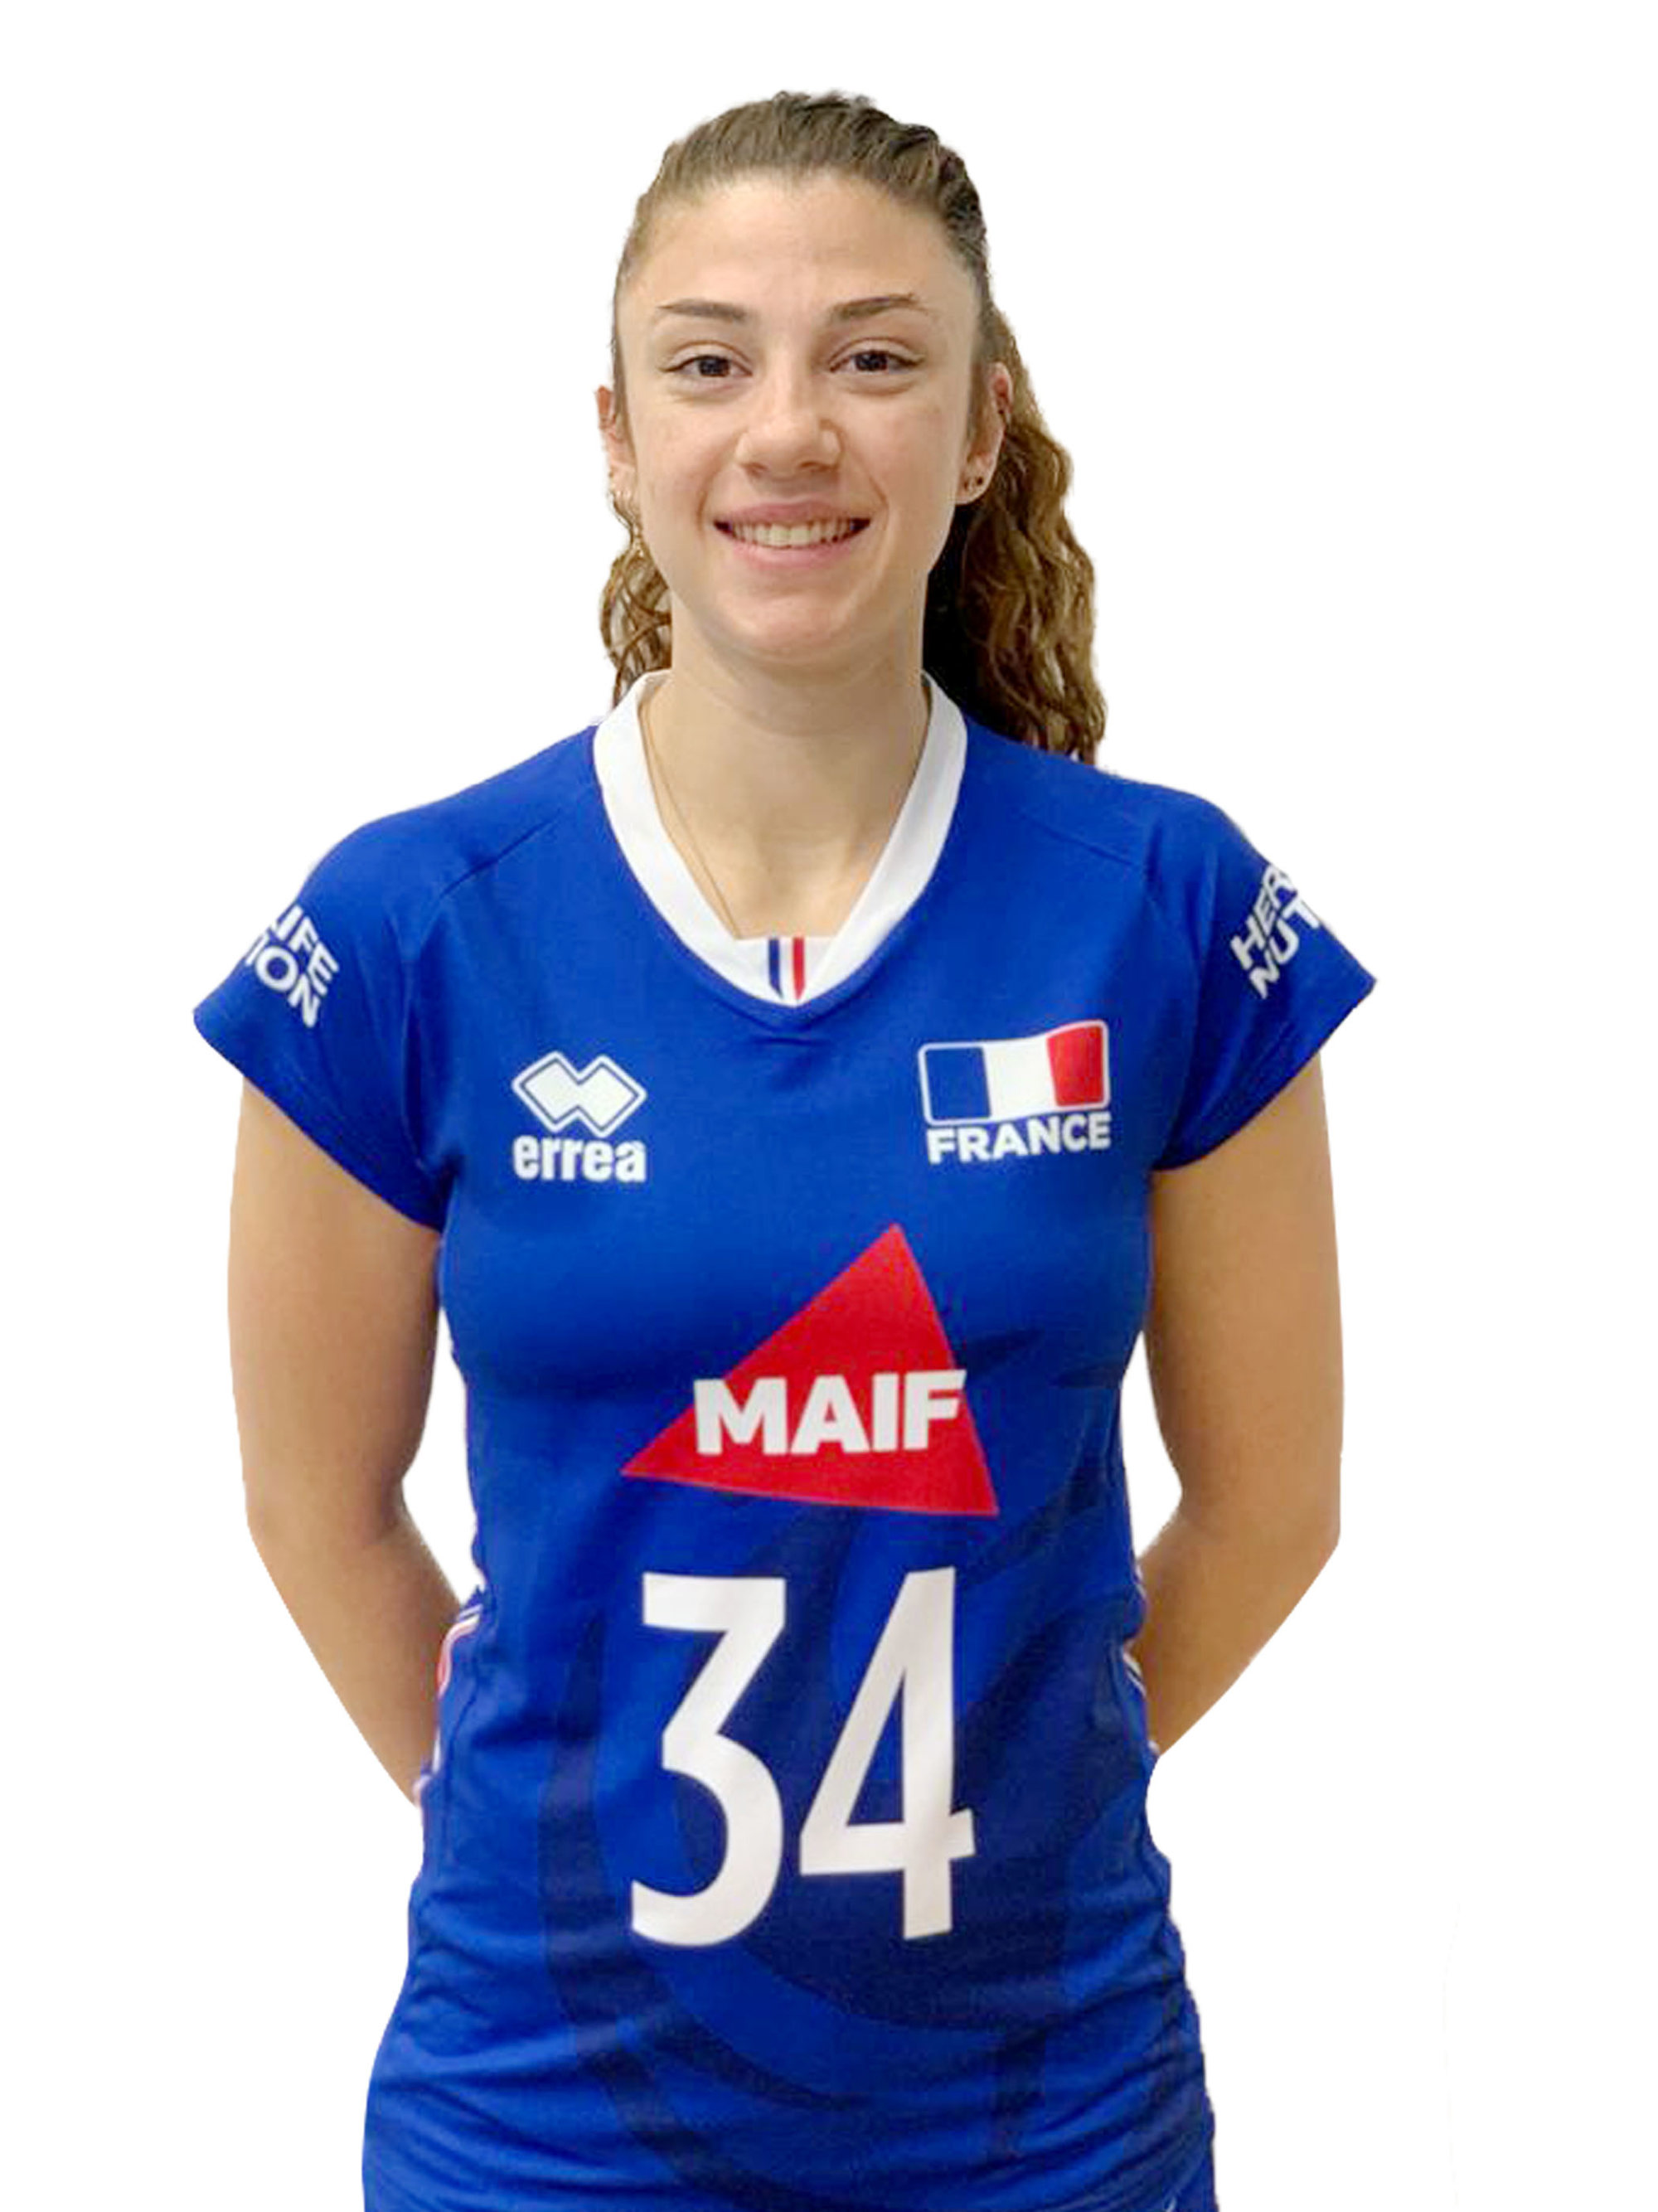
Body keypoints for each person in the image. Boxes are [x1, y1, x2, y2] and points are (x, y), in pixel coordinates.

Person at [193, 88, 1375, 2212]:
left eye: (875, 354)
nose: (790, 428)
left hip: (1045, 2114)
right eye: (709, 360)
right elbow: (316, 1507)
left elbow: (1276, 1506)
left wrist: (1019, 1780)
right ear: (617, 436)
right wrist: (552, 1837)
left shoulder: (1169, 907)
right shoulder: (407, 930)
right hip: (539, 2119)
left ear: (982, 427)